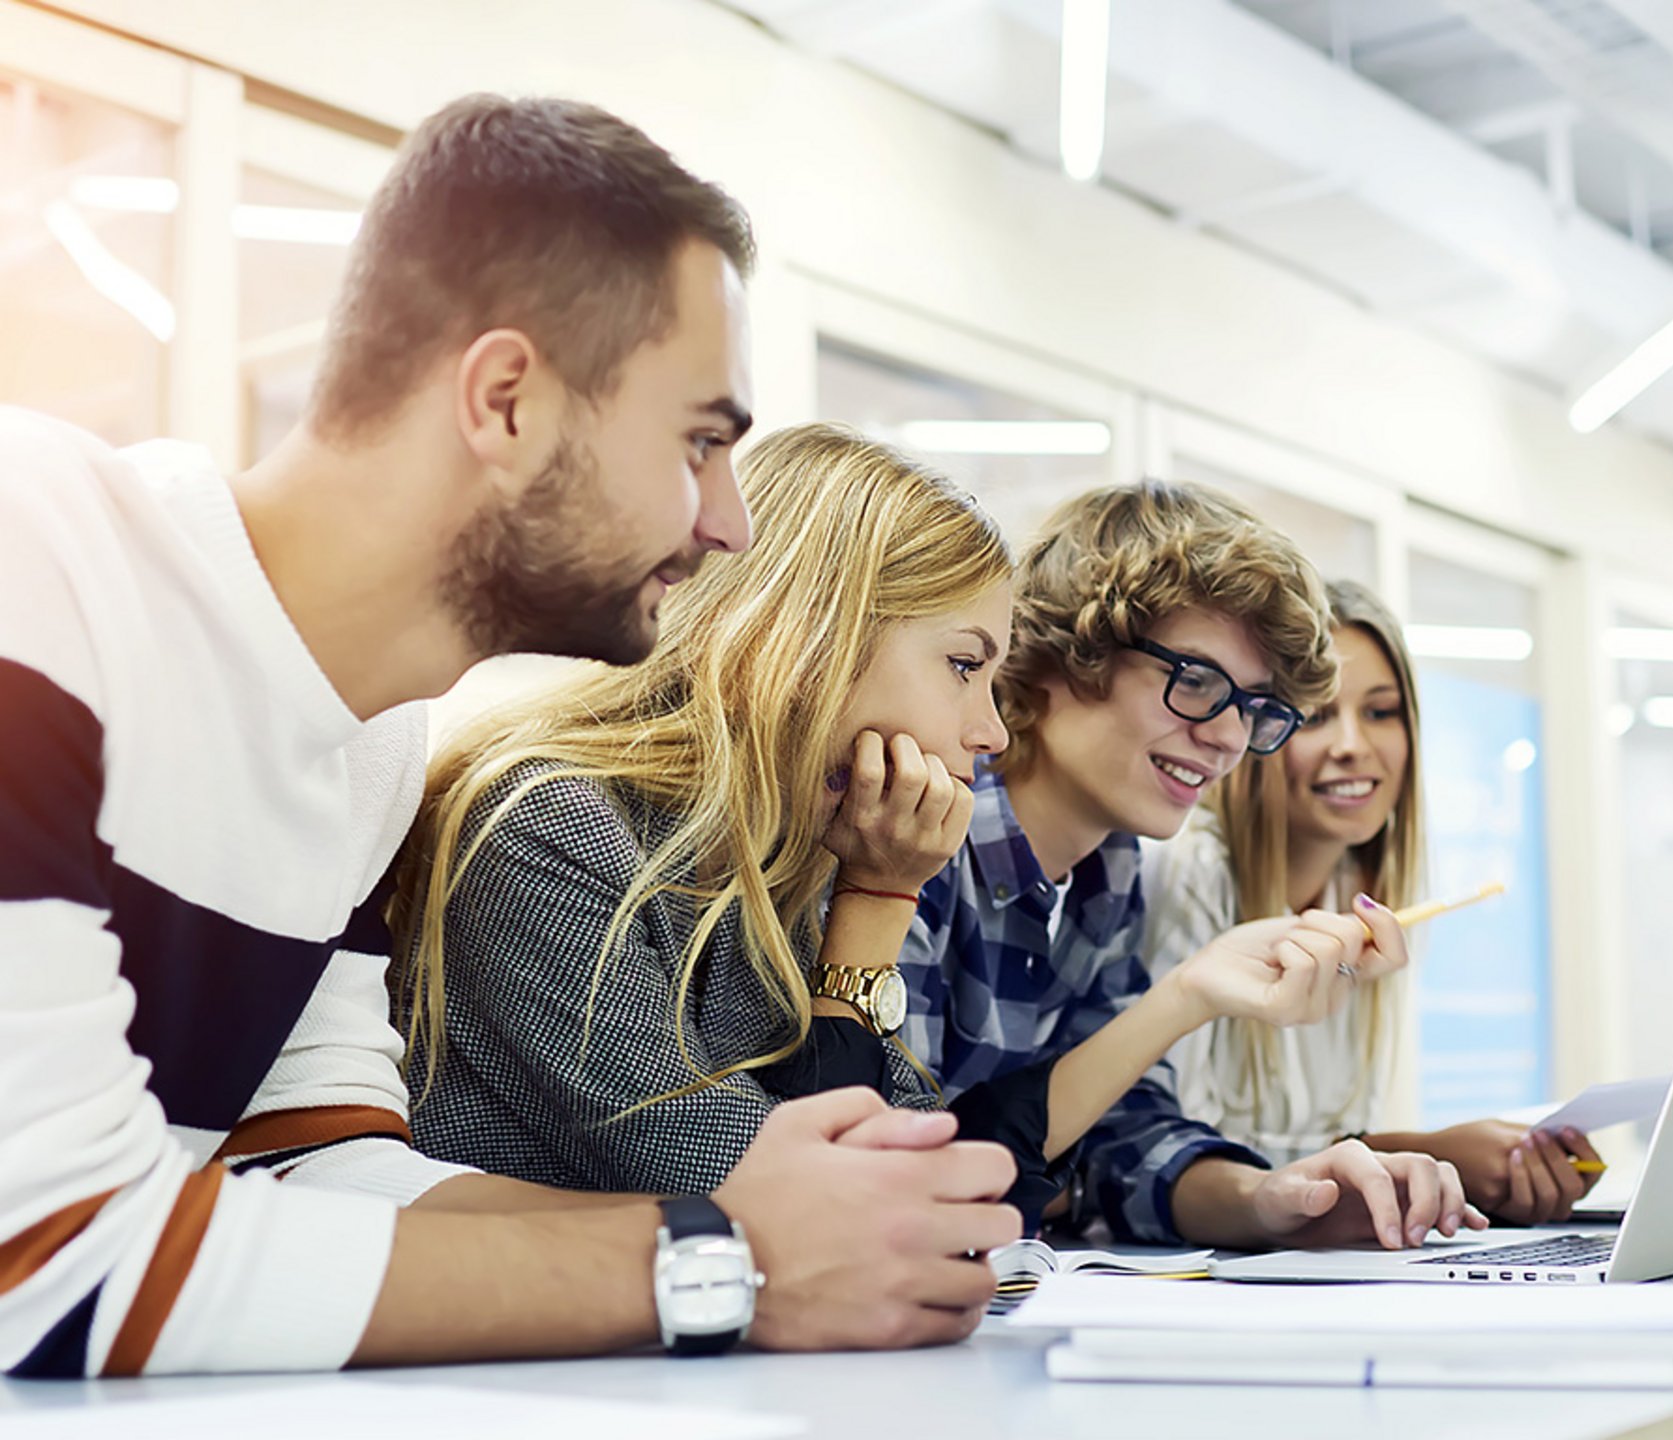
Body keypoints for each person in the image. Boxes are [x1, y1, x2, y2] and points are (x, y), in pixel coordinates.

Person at [1, 94, 1016, 1380]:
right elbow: (47, 1260)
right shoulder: (35, 555)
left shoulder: (367, 752)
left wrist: (787, 1232)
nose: (733, 528)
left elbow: (314, 1169)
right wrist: (717, 1264)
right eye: (702, 442)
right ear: (507, 403)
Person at [395, 427, 1410, 1232]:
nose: (988, 726)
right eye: (968, 667)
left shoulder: (806, 854)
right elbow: (811, 1191)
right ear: (818, 636)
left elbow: (896, 1154)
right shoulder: (550, 826)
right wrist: (880, 904)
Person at [899, 483, 1490, 1251]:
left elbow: (1125, 1147)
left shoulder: (1106, 872)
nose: (1228, 739)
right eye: (1198, 682)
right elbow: (909, 1171)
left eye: (1252, 706)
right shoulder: (914, 838)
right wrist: (1185, 995)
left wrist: (1283, 1199)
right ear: (1058, 656)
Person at [1141, 579, 1602, 1224]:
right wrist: (1418, 1150)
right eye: (1318, 715)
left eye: (1381, 712)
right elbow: (1164, 1154)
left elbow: (1314, 1141)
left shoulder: (1361, 901)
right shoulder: (1186, 871)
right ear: (1258, 730)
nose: (1353, 744)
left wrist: (1437, 1163)